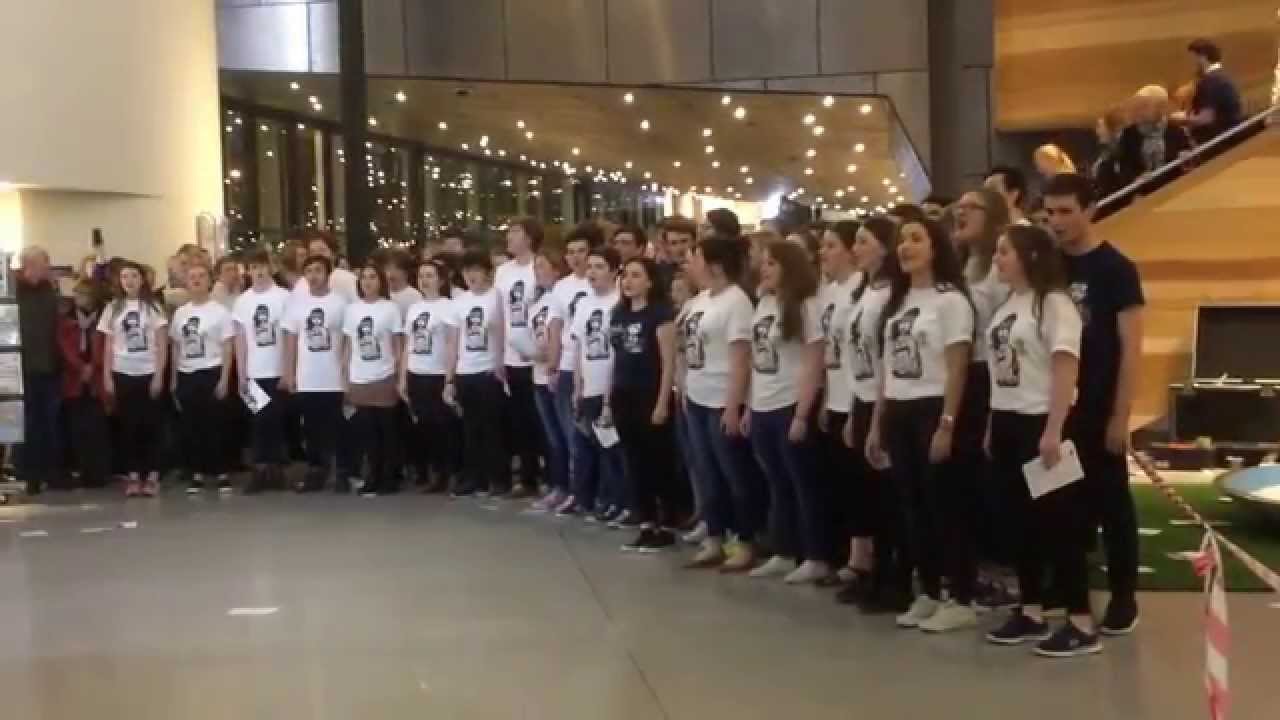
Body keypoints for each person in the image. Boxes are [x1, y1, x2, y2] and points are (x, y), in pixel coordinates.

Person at [981, 224, 1091, 657]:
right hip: (1009, 420)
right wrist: (993, 423)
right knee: (1019, 523)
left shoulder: (1055, 303)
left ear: (1028, 256)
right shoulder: (1009, 304)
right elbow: (1000, 369)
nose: (997, 259)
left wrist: (1054, 428)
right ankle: (1031, 610)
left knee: (1059, 524)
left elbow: (1066, 366)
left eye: (1004, 251)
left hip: (1042, 424)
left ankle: (1080, 622)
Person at [1044, 172, 1144, 637]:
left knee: (1112, 505)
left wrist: (1121, 416)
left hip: (1099, 406)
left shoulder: (1115, 269)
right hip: (1056, 408)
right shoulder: (1047, 268)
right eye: (1050, 212)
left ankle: (1124, 593)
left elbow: (1131, 348)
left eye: (1066, 211)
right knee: (1062, 505)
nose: (1057, 221)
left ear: (1090, 210)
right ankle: (1068, 589)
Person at [867, 218, 977, 633]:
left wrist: (947, 423)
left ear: (936, 247)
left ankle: (960, 594)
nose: (905, 247)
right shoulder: (898, 301)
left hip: (933, 406)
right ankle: (928, 590)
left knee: (943, 504)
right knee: (911, 506)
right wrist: (878, 423)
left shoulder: (950, 301)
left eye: (916, 239)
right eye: (901, 241)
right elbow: (886, 367)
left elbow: (957, 365)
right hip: (898, 406)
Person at [745, 240, 827, 583]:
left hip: (788, 401)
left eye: (773, 264)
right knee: (776, 481)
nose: (765, 269)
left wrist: (801, 413)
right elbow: (754, 358)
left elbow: (814, 362)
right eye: (763, 263)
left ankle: (816, 554)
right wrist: (749, 405)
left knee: (803, 483)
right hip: (762, 402)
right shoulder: (763, 302)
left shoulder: (806, 306)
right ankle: (783, 549)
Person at [681, 235, 762, 572]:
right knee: (706, 471)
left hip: (721, 396)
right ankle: (714, 535)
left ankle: (743, 539)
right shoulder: (699, 300)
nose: (690, 263)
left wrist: (733, 404)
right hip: (697, 394)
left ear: (714, 264)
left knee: (734, 473)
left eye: (695, 256)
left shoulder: (736, 301)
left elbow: (740, 357)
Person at [839, 217, 905, 611]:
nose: (856, 248)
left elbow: (886, 359)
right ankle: (870, 571)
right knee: (864, 492)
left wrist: (878, 418)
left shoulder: (892, 295)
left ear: (884, 247)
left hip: (886, 400)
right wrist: (852, 411)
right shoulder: (864, 291)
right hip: (861, 397)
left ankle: (893, 576)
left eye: (863, 241)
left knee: (886, 495)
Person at [953, 188, 1014, 609]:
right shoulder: (964, 262)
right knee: (968, 477)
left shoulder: (1000, 262)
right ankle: (977, 568)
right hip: (964, 371)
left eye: (970, 207)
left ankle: (1005, 568)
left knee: (993, 476)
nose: (960, 213)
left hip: (993, 374)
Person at [610, 257, 678, 551]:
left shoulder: (660, 315)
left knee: (656, 461)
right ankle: (646, 522)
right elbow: (618, 357)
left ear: (650, 281)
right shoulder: (619, 314)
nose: (628, 281)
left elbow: (668, 363)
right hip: (623, 392)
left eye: (636, 276)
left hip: (649, 393)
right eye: (625, 275)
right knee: (633, 461)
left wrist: (662, 402)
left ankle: (665, 522)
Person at [568, 247, 630, 525]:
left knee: (616, 451)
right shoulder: (584, 304)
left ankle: (623, 501)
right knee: (596, 448)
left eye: (600, 267)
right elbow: (579, 346)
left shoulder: (620, 303)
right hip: (589, 384)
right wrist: (577, 388)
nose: (592, 272)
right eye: (590, 267)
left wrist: (608, 397)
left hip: (613, 386)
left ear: (615, 271)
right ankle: (602, 499)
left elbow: (619, 352)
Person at [816, 221, 862, 581]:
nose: (823, 253)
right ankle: (847, 553)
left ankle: (863, 558)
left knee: (858, 482)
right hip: (834, 395)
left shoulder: (860, 289)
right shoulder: (829, 291)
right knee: (837, 483)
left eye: (831, 245)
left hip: (855, 396)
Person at [98, 261, 169, 497]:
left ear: (142, 280)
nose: (129, 281)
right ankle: (133, 476)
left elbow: (161, 344)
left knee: (151, 425)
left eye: (134, 276)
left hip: (148, 371)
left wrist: (159, 375)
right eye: (125, 277)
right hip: (123, 372)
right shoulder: (112, 309)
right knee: (129, 427)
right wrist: (107, 376)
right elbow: (108, 346)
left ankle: (153, 475)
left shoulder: (153, 308)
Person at [282, 254, 350, 492]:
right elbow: (290, 340)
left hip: (333, 378)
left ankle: (341, 472)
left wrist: (345, 370)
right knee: (311, 429)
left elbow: (348, 340)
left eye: (318, 270)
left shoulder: (340, 303)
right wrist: (288, 373)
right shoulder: (297, 305)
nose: (313, 276)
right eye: (309, 271)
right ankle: (315, 471)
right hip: (307, 377)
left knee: (337, 428)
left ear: (327, 274)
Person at [169, 261, 235, 494]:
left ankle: (221, 472)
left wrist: (224, 378)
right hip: (187, 372)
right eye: (192, 277)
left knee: (216, 425)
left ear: (209, 281)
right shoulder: (181, 313)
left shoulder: (220, 312)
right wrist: (174, 379)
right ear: (186, 283)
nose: (196, 280)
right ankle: (197, 472)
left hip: (212, 370)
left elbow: (228, 347)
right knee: (192, 425)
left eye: (201, 276)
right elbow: (176, 347)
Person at [341, 262, 405, 496]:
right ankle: (373, 476)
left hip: (384, 375)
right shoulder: (352, 310)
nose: (368, 282)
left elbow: (397, 345)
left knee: (387, 431)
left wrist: (399, 375)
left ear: (381, 282)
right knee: (367, 433)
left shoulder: (390, 309)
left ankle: (389, 477)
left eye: (372, 277)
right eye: (364, 278)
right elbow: (348, 345)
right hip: (360, 377)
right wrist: (345, 375)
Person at [399, 259, 462, 494]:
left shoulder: (447, 307)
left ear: (441, 280)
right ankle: (435, 472)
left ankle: (452, 471)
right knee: (425, 425)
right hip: (417, 371)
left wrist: (449, 378)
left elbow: (451, 343)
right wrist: (403, 376)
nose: (424, 280)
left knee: (444, 425)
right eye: (421, 276)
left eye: (430, 275)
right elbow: (408, 344)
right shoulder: (415, 308)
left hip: (437, 373)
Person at [232, 248, 292, 494]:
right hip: (254, 371)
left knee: (276, 420)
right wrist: (242, 373)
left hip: (277, 369)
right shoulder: (243, 301)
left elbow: (290, 335)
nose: (258, 272)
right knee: (258, 421)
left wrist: (289, 369)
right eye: (254, 267)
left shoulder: (284, 297)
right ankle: (260, 468)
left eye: (262, 266)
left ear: (271, 268)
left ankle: (276, 469)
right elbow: (240, 339)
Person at [550, 223, 600, 515]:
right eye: (570, 252)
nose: (576, 257)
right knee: (571, 435)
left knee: (596, 436)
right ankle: (577, 492)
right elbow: (556, 328)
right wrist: (554, 366)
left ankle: (600, 494)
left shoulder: (602, 283)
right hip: (568, 365)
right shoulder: (562, 286)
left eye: (582, 251)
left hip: (594, 366)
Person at [448, 250, 507, 497]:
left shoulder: (497, 297)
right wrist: (449, 378)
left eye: (476, 270)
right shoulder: (459, 301)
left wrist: (500, 364)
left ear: (487, 273)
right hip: (465, 370)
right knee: (470, 428)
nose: (471, 276)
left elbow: (504, 332)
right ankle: (475, 477)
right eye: (466, 271)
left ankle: (499, 478)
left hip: (489, 370)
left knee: (493, 427)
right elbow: (453, 341)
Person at [495, 217, 544, 497]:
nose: (509, 237)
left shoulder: (537, 266)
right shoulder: (503, 272)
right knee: (520, 416)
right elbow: (500, 311)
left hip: (536, 348)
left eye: (515, 232)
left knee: (538, 415)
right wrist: (500, 353)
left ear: (529, 237)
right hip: (512, 350)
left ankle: (544, 469)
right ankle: (526, 475)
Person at [16, 247, 64, 494]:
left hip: (49, 365)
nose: (48, 268)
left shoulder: (50, 292)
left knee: (50, 421)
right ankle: (29, 474)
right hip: (20, 368)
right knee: (27, 423)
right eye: (45, 264)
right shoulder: (14, 292)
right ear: (30, 265)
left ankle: (51, 471)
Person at [527, 251, 568, 512]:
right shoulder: (537, 301)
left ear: (556, 269)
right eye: (535, 267)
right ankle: (556, 484)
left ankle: (567, 487)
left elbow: (558, 332)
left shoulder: (558, 296)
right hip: (537, 370)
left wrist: (553, 363)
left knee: (563, 436)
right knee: (550, 436)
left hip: (553, 371)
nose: (538, 271)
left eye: (543, 266)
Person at [59, 280, 110, 489]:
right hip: (75, 379)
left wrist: (94, 365)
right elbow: (64, 347)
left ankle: (98, 472)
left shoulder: (104, 318)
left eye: (84, 294)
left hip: (97, 378)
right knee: (77, 427)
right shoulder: (67, 319)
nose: (79, 298)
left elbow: (108, 345)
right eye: (77, 293)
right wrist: (82, 367)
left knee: (97, 427)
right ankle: (82, 469)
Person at [1113, 86, 1192, 193]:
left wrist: (1186, 158)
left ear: (1160, 108)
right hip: (1144, 193)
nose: (1138, 111)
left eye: (1144, 106)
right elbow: (1124, 165)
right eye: (1137, 106)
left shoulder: (1176, 131)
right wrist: (1136, 179)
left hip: (1175, 190)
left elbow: (1188, 156)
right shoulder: (1129, 134)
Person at [1183, 38, 1243, 145]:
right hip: (1230, 139)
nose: (1191, 64)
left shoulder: (1211, 81)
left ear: (1202, 57)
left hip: (1217, 144)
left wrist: (1178, 119)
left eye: (1192, 59)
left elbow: (1205, 119)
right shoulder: (1223, 77)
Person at [384, 249, 423, 320]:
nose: (390, 273)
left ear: (406, 272)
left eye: (396, 269)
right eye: (388, 268)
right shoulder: (381, 294)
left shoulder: (415, 297)